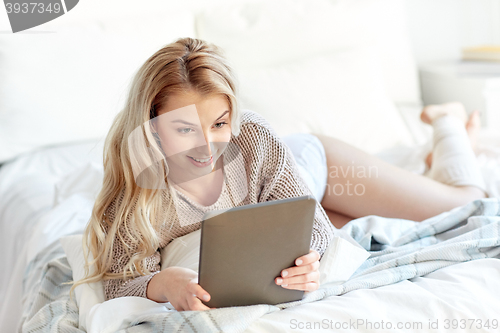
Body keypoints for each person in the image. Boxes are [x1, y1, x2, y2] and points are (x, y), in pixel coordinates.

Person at [72, 37, 487, 312]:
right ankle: (423, 162)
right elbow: (119, 282)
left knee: (462, 202)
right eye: (184, 129)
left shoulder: (253, 135)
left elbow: (318, 231)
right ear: (151, 125)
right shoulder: (134, 193)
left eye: (220, 124)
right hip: (273, 199)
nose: (207, 146)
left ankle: (447, 123)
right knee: (370, 219)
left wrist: (313, 260)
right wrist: (161, 284)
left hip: (314, 165)